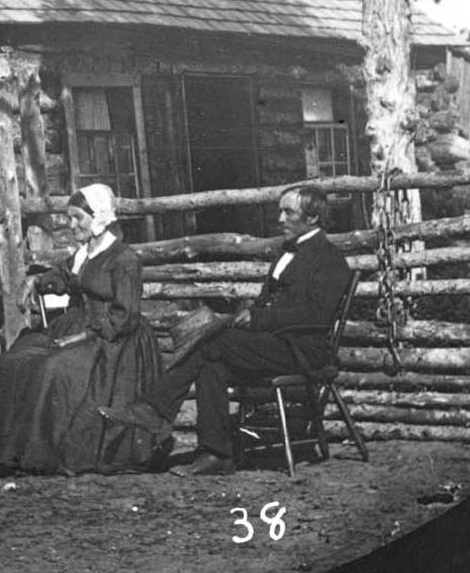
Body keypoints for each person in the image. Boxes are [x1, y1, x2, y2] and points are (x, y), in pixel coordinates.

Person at [100, 185, 352, 475]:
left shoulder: (329, 259)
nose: (280, 218)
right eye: (280, 210)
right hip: (274, 343)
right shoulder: (287, 249)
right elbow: (268, 301)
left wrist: (257, 320)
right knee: (211, 362)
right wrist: (251, 314)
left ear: (313, 219)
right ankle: (216, 454)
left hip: (304, 350)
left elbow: (316, 316)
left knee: (213, 342)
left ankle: (154, 409)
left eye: (288, 212)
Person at [0, 183, 164, 476]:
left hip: (112, 341)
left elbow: (125, 315)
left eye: (78, 217)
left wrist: (83, 336)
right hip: (78, 324)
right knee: (11, 362)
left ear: (100, 217)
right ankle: (9, 453)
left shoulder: (124, 259)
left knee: (53, 368)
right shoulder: (84, 252)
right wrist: (36, 282)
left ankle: (44, 455)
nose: (72, 224)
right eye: (69, 217)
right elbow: (65, 276)